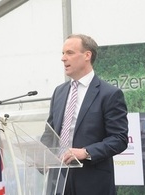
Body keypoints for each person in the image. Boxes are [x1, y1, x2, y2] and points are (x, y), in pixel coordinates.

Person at [43, 34, 129, 195]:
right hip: (57, 181)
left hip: (91, 182)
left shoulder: (109, 94)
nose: (63, 58)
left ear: (87, 55)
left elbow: (119, 139)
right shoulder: (59, 92)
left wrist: (85, 152)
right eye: (62, 53)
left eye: (69, 53)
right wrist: (42, 155)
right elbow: (50, 131)